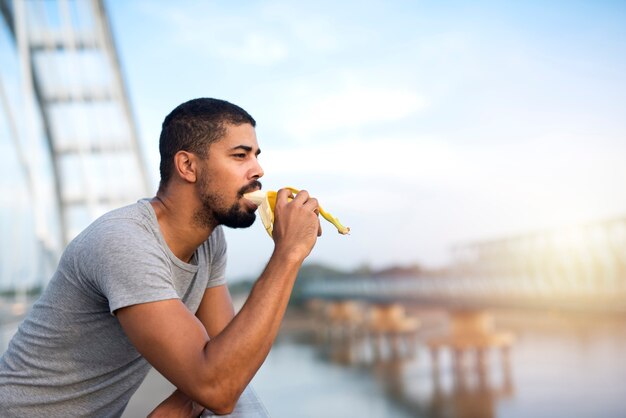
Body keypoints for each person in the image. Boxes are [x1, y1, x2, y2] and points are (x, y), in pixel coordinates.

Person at [0, 98, 323, 417]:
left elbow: (229, 358)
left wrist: (183, 402)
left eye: (255, 155)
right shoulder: (124, 242)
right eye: (240, 156)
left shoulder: (210, 241)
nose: (258, 170)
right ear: (187, 166)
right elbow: (220, 389)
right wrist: (288, 253)